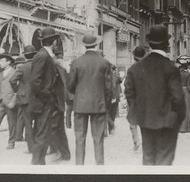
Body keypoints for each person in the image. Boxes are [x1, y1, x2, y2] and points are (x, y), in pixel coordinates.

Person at [125, 25, 186, 165]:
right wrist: (178, 118)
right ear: (167, 44)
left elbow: (129, 93)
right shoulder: (171, 68)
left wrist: (140, 111)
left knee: (148, 157)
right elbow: (178, 98)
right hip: (168, 121)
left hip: (145, 119)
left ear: (149, 43)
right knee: (164, 160)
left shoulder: (135, 68)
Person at [68, 33, 112, 165]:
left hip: (80, 106)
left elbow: (70, 85)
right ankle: (99, 168)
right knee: (98, 140)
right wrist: (106, 105)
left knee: (79, 139)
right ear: (96, 44)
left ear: (84, 45)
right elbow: (109, 89)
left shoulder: (76, 62)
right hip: (99, 105)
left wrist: (79, 93)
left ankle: (80, 168)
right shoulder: (104, 62)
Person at [30, 27, 61, 165]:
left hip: (44, 103)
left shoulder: (45, 55)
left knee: (43, 135)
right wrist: (47, 97)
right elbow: (35, 81)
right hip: (43, 103)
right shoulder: (42, 56)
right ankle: (37, 166)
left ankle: (39, 164)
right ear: (53, 41)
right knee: (42, 136)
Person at [9, 45, 36, 154]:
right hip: (38, 98)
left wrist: (18, 90)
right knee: (39, 122)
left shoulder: (22, 68)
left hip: (25, 99)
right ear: (34, 54)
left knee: (28, 123)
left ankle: (31, 148)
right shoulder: (38, 66)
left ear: (24, 55)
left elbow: (12, 80)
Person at [125, 45, 148, 151]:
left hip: (135, 101)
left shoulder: (131, 69)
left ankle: (136, 142)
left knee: (133, 123)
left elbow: (128, 88)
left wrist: (131, 102)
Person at [177, 55, 190, 133]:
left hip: (179, 91)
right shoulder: (189, 73)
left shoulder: (177, 72)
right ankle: (189, 127)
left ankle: (181, 127)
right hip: (187, 91)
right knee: (188, 108)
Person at [107, 64, 122, 135]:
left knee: (108, 113)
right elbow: (114, 86)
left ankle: (109, 128)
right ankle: (111, 128)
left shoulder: (106, 76)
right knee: (112, 114)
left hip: (110, 98)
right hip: (114, 98)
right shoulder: (114, 77)